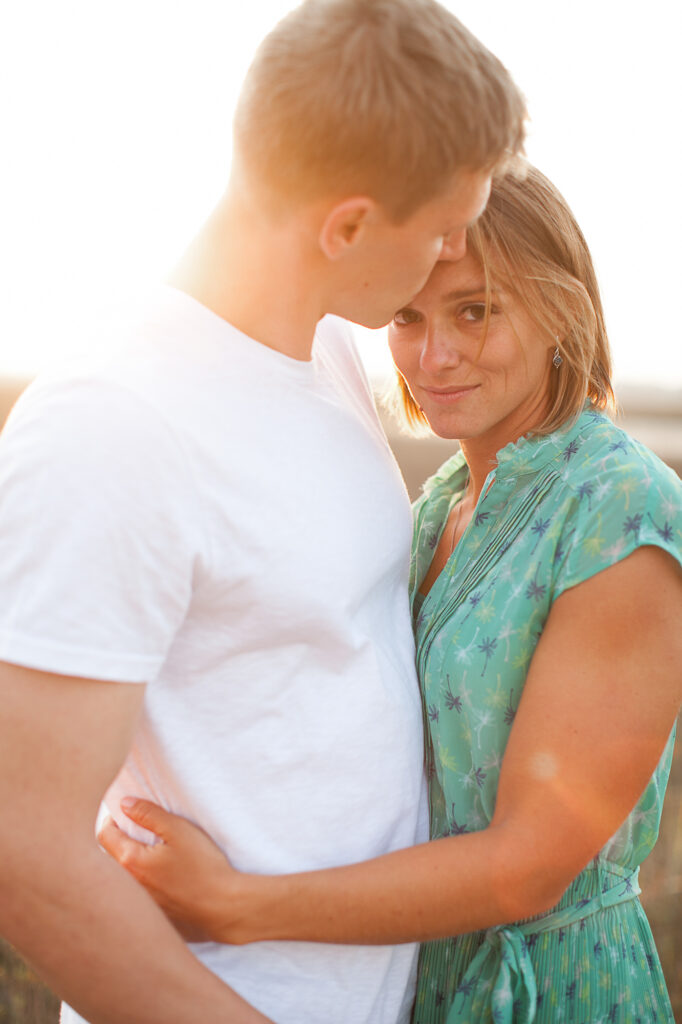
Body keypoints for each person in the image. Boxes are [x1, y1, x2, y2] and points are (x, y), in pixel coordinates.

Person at [0, 2, 525, 1023]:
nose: (457, 245)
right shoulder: (114, 423)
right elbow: (25, 848)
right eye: (443, 226)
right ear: (347, 227)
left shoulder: (324, 349)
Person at [99, 163, 682, 1024]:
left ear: (563, 311)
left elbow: (528, 863)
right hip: (425, 978)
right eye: (408, 316)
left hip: (555, 989)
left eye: (475, 311)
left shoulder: (618, 509)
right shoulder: (442, 499)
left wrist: (234, 905)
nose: (434, 355)